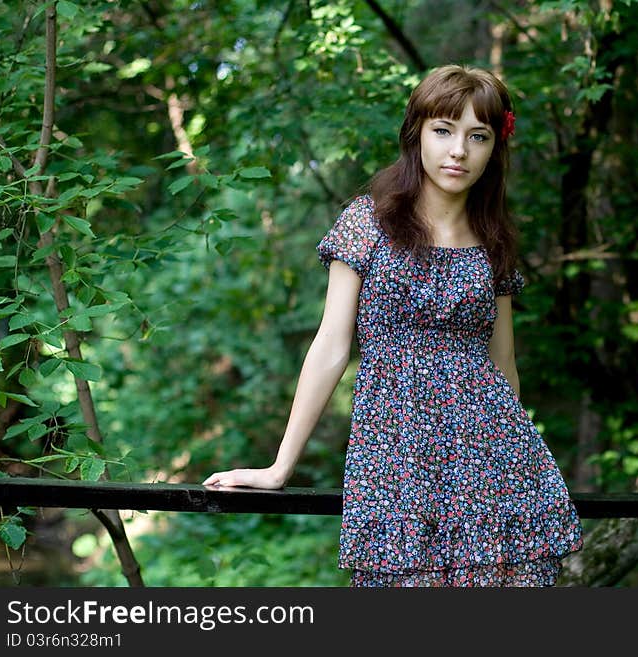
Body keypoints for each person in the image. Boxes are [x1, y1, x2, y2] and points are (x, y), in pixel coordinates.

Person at [203, 64, 584, 587]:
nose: (459, 151)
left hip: (495, 462)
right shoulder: (369, 220)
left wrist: (511, 462)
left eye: (478, 137)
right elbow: (331, 348)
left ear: (495, 147)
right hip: (397, 456)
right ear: (417, 132)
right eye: (444, 131)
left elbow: (505, 369)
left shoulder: (493, 238)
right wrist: (279, 467)